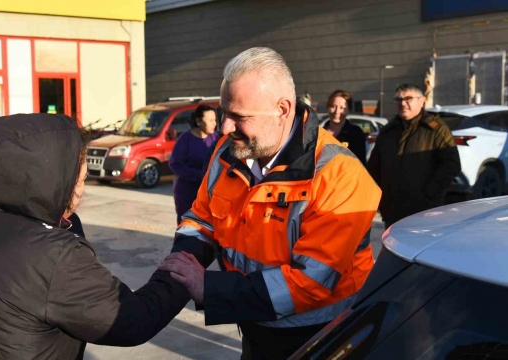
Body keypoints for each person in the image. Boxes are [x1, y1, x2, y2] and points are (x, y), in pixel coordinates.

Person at [158, 47, 382, 360]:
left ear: (282, 109)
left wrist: (210, 289)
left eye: (238, 116)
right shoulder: (230, 149)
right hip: (254, 324)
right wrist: (182, 264)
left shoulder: (339, 175)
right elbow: (202, 217)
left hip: (320, 337)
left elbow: (310, 282)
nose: (224, 127)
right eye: (224, 113)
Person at [0, 113, 191, 359]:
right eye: (77, 180)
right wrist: (183, 270)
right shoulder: (51, 254)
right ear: (45, 179)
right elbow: (132, 320)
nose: (81, 190)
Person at [367, 83, 460, 229]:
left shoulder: (435, 129)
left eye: (408, 99)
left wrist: (429, 194)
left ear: (421, 101)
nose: (403, 104)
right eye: (398, 100)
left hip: (423, 212)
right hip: (392, 211)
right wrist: (380, 199)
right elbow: (374, 168)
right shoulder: (388, 131)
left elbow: (451, 165)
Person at [169, 105, 220, 224]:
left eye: (215, 120)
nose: (214, 124)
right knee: (188, 225)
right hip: (187, 191)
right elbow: (175, 164)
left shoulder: (217, 138)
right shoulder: (185, 139)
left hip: (209, 192)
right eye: (210, 120)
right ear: (198, 121)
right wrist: (199, 175)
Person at [323, 90, 367, 163]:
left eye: (342, 108)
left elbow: (360, 164)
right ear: (328, 107)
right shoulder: (319, 133)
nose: (337, 112)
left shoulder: (355, 133)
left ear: (348, 110)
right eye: (333, 106)